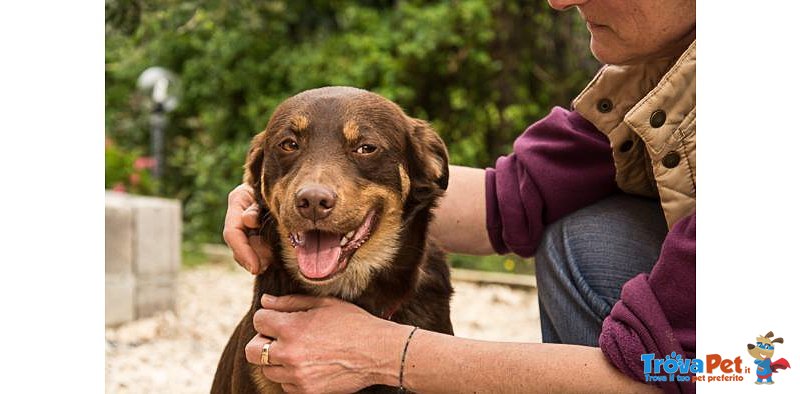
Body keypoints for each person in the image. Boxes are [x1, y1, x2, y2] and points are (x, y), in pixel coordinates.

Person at [222, 0, 696, 392]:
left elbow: (695, 370)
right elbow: (509, 197)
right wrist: (264, 204)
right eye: (288, 151)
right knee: (585, 230)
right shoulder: (661, 79)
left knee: (592, 242)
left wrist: (388, 354)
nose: (557, 1)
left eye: (365, 148)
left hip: (747, 360)